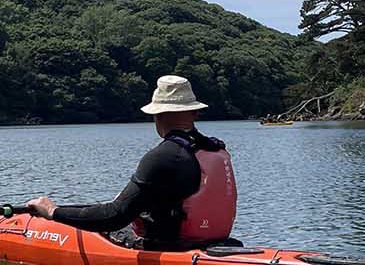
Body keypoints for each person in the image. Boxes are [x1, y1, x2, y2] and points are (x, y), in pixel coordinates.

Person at [24, 75, 237, 250]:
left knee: (101, 224)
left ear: (158, 115)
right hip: (214, 243)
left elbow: (114, 217)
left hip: (169, 247)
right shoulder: (214, 149)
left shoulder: (163, 156)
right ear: (195, 112)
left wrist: (53, 212)